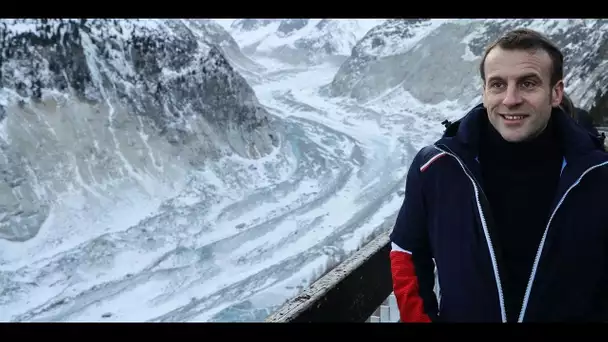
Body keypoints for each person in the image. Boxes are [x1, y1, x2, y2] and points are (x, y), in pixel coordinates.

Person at [389, 28, 608, 323]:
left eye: (528, 84)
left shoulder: (597, 175)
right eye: (497, 85)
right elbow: (407, 252)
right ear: (484, 91)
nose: (510, 99)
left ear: (556, 93)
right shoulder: (437, 167)